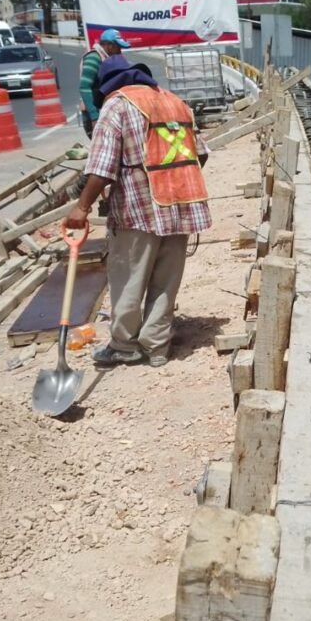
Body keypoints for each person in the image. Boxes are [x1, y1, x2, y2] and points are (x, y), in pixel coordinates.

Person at [65, 61, 210, 368]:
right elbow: (201, 153)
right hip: (180, 206)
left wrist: (82, 207)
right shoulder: (175, 103)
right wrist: (176, 181)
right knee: (165, 282)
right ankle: (157, 348)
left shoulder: (117, 106)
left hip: (137, 210)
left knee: (129, 279)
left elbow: (102, 168)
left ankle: (124, 346)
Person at [78, 29, 129, 139]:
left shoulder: (110, 58)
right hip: (95, 113)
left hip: (108, 111)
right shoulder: (94, 58)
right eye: (118, 47)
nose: (120, 50)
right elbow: (84, 87)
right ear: (109, 46)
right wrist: (95, 117)